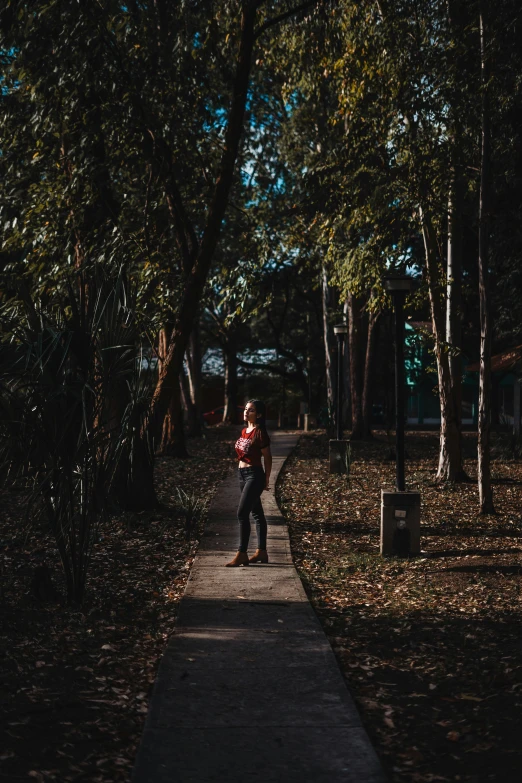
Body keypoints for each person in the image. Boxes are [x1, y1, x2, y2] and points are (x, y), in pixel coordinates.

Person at [225, 399, 272, 567]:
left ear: (258, 414)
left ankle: (242, 553)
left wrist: (266, 479)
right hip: (242, 474)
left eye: (251, 410)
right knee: (257, 513)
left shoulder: (260, 433)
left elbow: (267, 457)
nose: (246, 412)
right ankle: (262, 552)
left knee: (242, 513)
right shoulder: (244, 431)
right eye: (245, 409)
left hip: (254, 475)